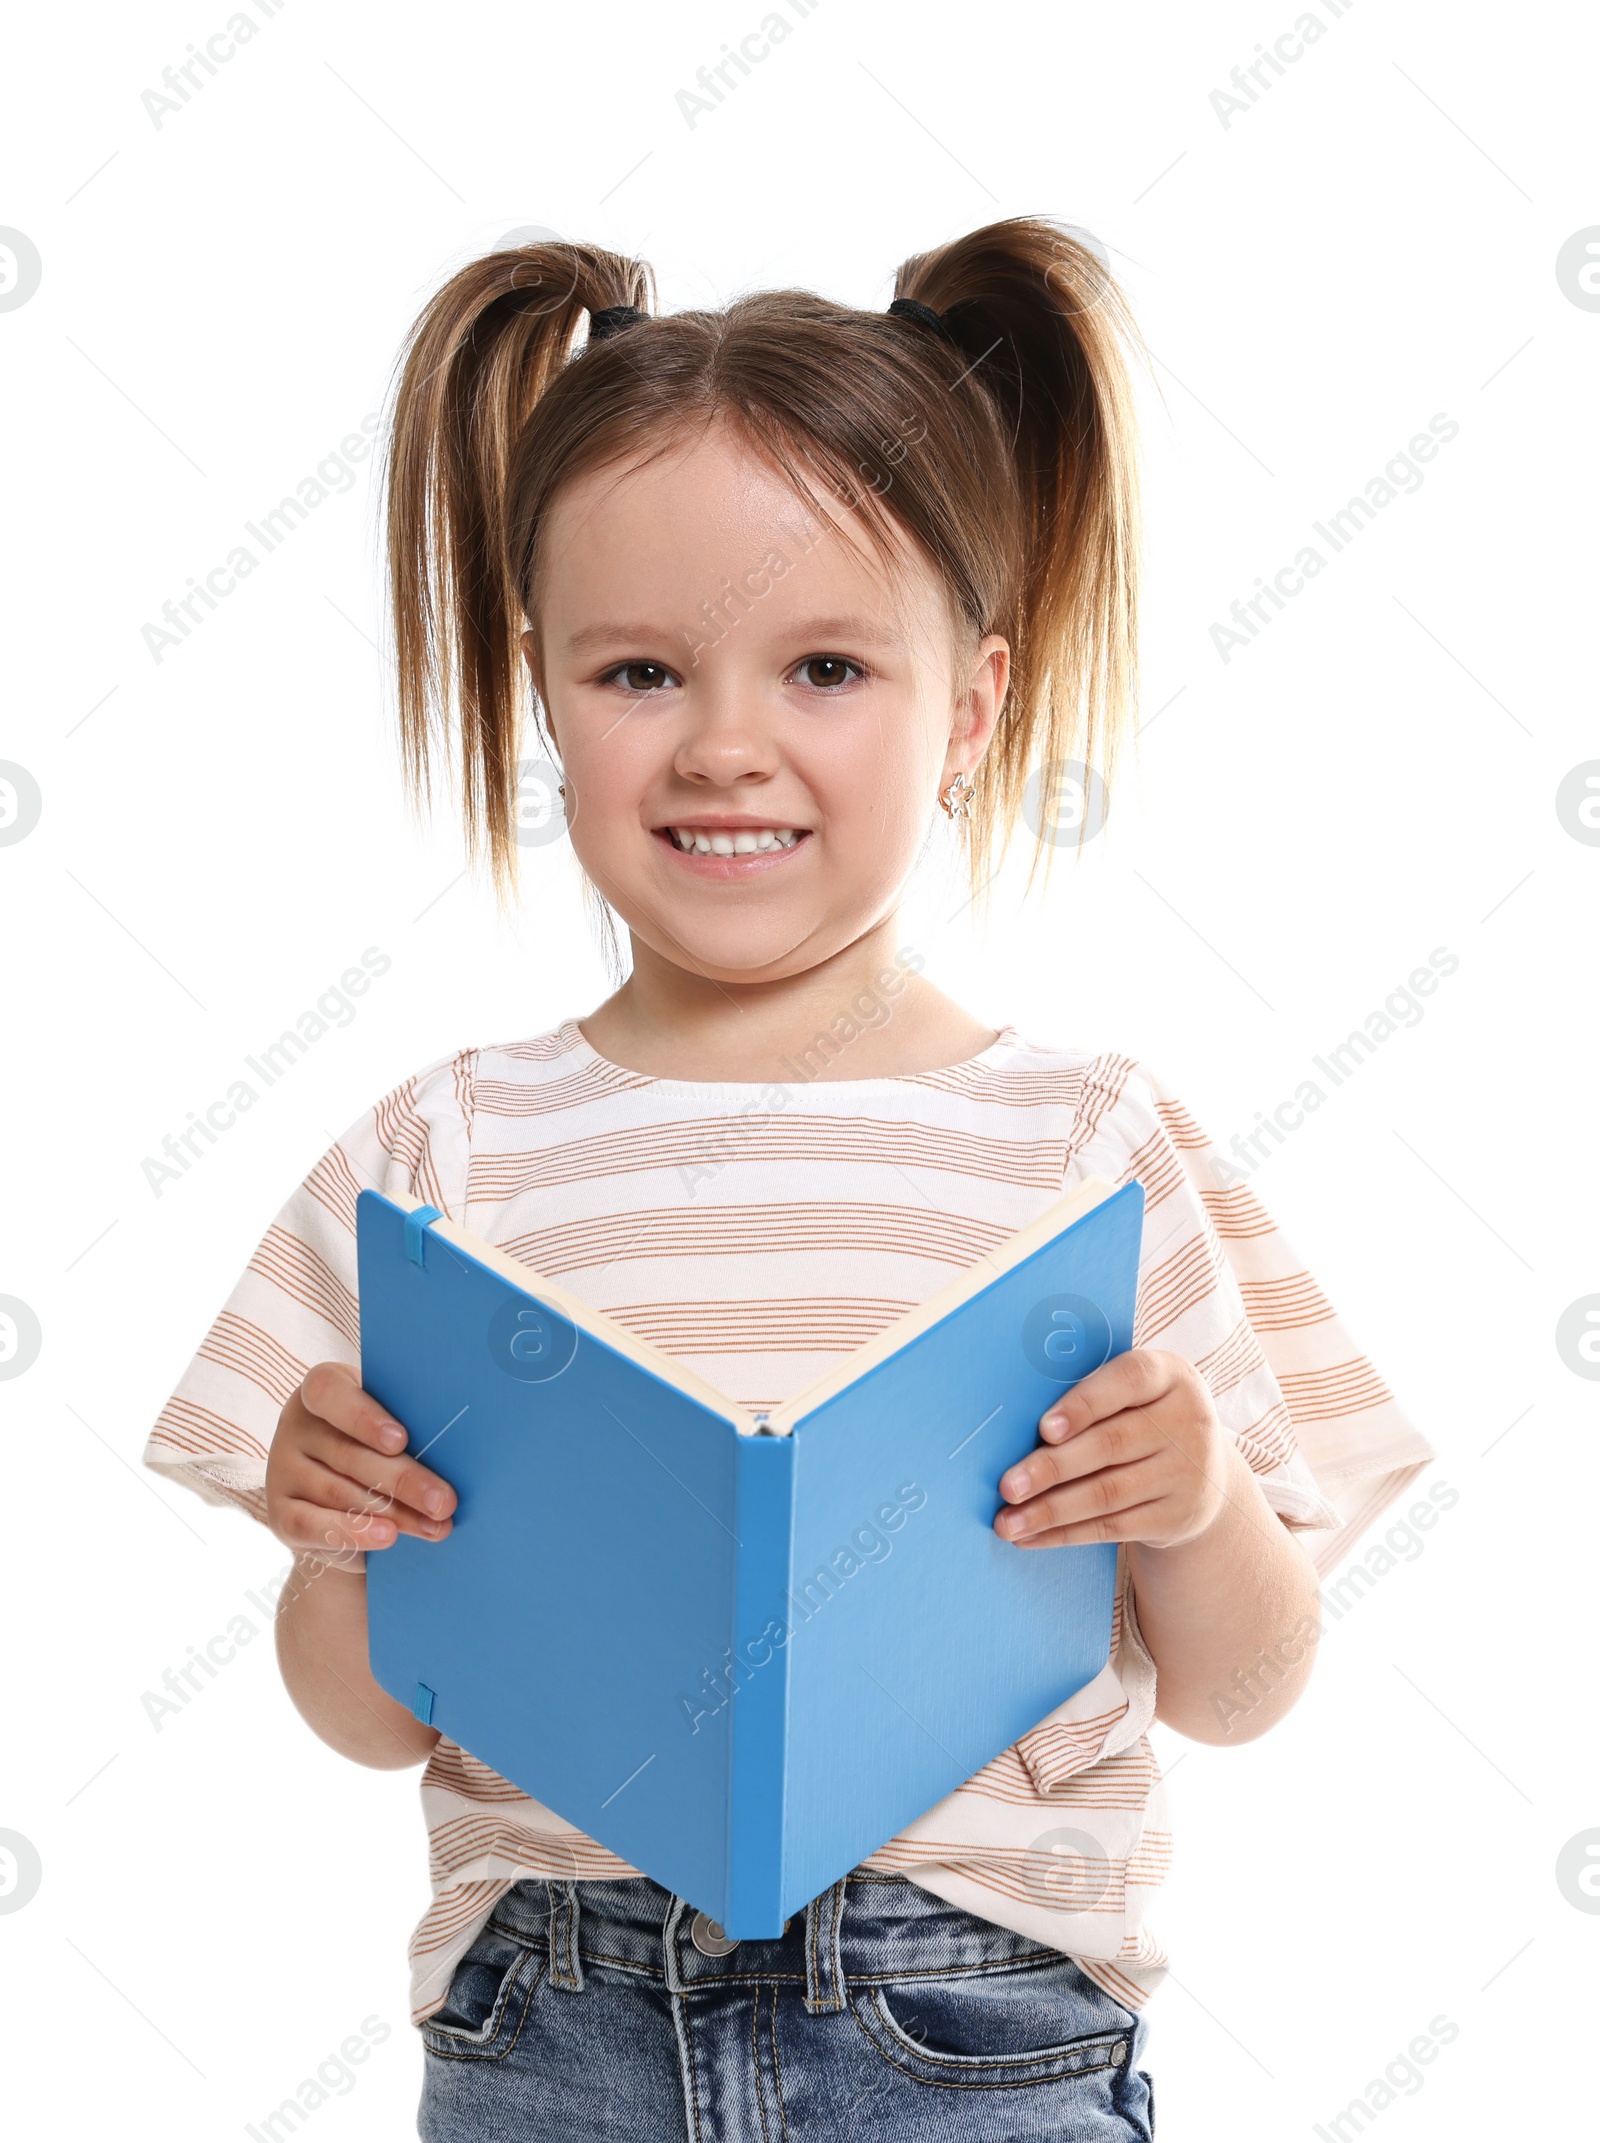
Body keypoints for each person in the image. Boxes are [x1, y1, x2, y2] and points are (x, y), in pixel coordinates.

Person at [143, 217, 1435, 2140]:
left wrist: (1199, 1491)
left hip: (967, 2032)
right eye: (641, 671)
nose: (726, 747)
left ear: (974, 708)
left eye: (827, 666)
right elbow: (364, 1720)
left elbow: (1246, 1684)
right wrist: (348, 1538)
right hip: (553, 2029)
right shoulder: (440, 1154)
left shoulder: (1084, 1142)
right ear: (541, 696)